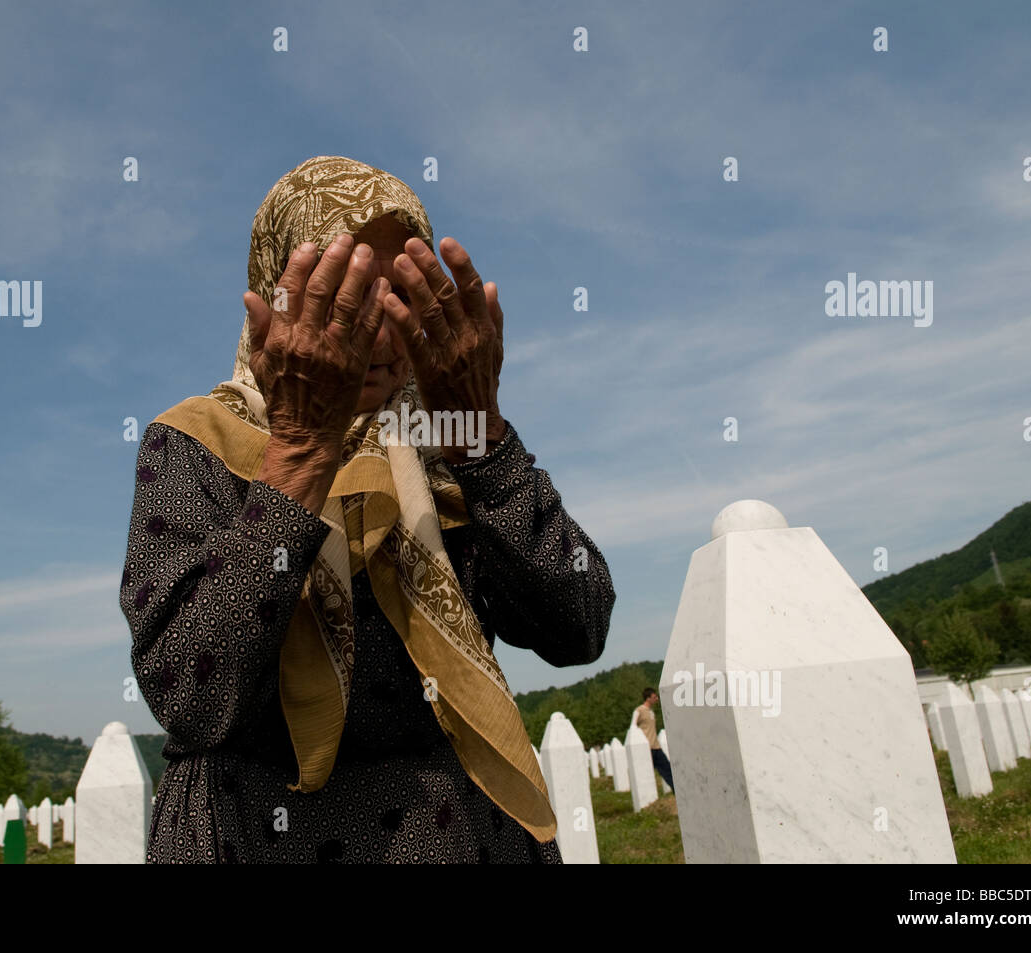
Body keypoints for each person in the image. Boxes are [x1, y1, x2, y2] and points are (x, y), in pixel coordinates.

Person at [119, 155, 615, 863]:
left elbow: (581, 622)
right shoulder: (196, 442)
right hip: (255, 835)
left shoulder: (444, 437)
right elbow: (192, 696)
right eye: (346, 295)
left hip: (461, 836)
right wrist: (301, 451)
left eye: (402, 297)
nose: (383, 334)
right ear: (279, 294)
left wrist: (485, 439)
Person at [634, 687, 674, 792]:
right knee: (646, 774)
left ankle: (676, 790)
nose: (656, 699)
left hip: (656, 746)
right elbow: (633, 728)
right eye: (654, 697)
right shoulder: (639, 710)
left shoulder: (651, 712)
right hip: (647, 749)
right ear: (648, 698)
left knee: (667, 769)